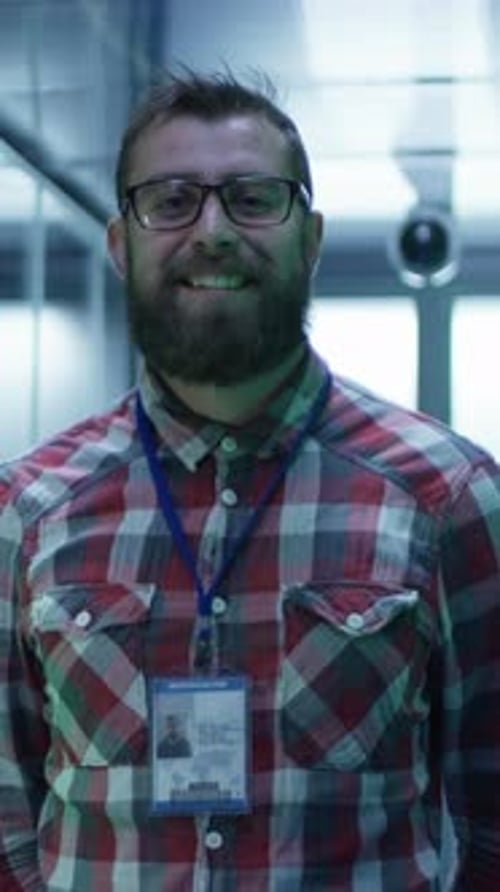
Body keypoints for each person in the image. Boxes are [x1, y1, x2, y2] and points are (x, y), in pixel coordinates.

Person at [0, 68, 499, 892]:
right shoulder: (28, 510)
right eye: (170, 201)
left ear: (311, 236)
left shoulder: (445, 495)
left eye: (254, 198)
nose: (213, 230)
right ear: (120, 246)